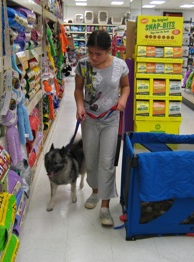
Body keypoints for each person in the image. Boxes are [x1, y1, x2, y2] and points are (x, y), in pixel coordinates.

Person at [74, 29, 130, 226]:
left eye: (98, 53)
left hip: (110, 119)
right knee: (91, 158)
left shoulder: (119, 66)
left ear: (109, 50)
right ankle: (95, 192)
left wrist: (123, 99)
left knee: (106, 161)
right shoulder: (82, 65)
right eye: (90, 52)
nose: (93, 57)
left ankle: (105, 206)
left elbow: (125, 87)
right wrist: (80, 106)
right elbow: (78, 89)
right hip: (89, 119)